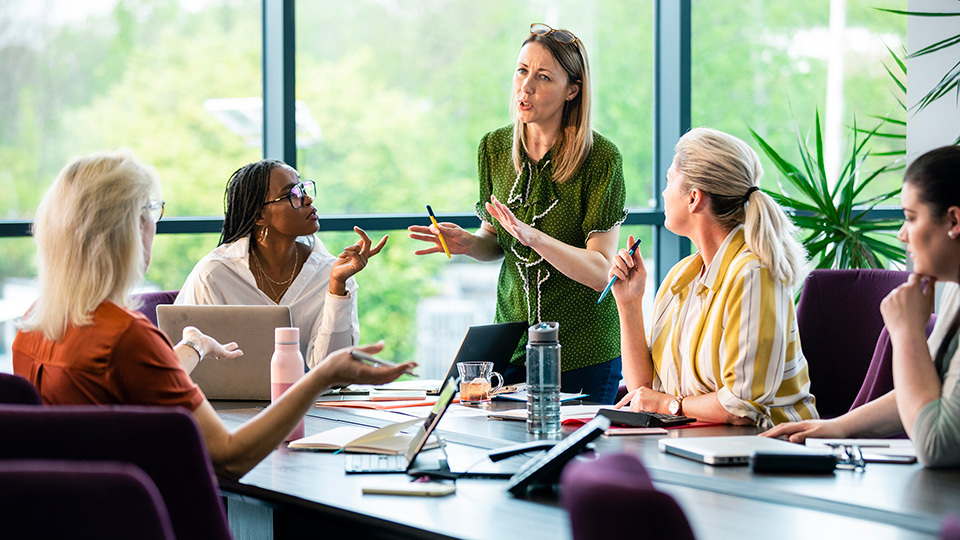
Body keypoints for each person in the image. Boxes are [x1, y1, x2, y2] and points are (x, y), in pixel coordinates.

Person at [12, 149, 413, 479]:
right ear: (130, 228)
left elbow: (136, 388)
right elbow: (228, 457)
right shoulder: (125, 338)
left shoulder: (31, 329)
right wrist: (324, 375)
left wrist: (192, 346)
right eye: (151, 211)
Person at [408, 23, 627, 404]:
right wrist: (470, 244)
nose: (525, 86)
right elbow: (495, 241)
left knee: (573, 462)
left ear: (572, 90)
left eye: (543, 77)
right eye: (522, 70)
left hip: (583, 349)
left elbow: (600, 272)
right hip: (514, 346)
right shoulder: (493, 148)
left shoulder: (601, 160)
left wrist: (535, 237)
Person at [765, 145, 960, 467]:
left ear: (953, 220)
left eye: (911, 218)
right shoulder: (954, 288)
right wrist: (835, 427)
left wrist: (908, 332)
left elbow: (937, 446)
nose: (902, 235)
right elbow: (929, 393)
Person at [609, 128, 818, 428]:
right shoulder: (681, 276)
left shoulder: (753, 276)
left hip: (765, 454)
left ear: (694, 198)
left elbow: (740, 406)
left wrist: (671, 405)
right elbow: (643, 388)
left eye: (669, 180)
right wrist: (629, 303)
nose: (664, 192)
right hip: (694, 446)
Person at [175, 159, 387, 369]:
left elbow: (334, 370)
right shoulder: (214, 274)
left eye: (304, 188)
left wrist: (337, 286)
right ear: (259, 216)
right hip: (227, 403)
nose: (308, 199)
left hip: (313, 402)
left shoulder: (332, 272)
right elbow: (190, 365)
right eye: (293, 194)